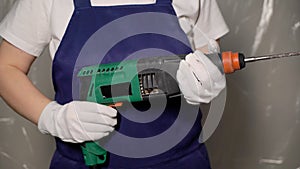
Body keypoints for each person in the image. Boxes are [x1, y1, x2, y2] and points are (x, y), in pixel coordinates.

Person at [0, 0, 229, 168]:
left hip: (182, 161)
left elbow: (208, 54)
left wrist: (209, 76)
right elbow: (5, 68)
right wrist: (52, 118)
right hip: (83, 163)